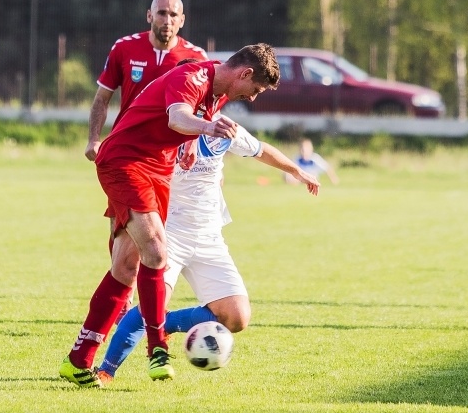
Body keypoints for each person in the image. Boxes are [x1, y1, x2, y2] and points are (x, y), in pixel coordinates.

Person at [59, 43, 280, 385]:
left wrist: (191, 142)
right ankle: (157, 349)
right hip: (125, 161)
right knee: (157, 252)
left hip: (157, 172)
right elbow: (177, 116)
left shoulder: (218, 92)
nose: (253, 98)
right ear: (245, 74)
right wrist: (207, 130)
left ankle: (78, 360)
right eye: (256, 90)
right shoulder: (193, 76)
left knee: (125, 268)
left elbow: (189, 123)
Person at [96, 117, 320, 382]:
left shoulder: (223, 126)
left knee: (237, 317)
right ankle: (105, 370)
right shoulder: (165, 123)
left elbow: (259, 149)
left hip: (209, 238)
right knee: (148, 308)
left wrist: (296, 171)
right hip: (168, 233)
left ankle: (164, 323)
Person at [84, 0, 208, 162]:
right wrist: (94, 140)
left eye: (173, 15)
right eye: (162, 13)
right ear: (149, 16)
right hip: (129, 145)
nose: (167, 21)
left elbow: (205, 109)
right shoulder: (124, 48)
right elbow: (102, 99)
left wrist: (211, 164)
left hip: (173, 154)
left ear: (182, 20)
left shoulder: (197, 58)